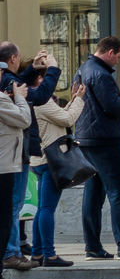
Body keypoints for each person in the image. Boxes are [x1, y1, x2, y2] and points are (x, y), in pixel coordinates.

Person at [74, 36, 120, 259]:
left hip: (87, 140)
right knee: (119, 192)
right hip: (106, 141)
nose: (118, 62)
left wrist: (119, 96)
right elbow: (112, 107)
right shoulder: (101, 74)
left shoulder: (84, 69)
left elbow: (96, 102)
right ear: (110, 53)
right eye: (118, 57)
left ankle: (92, 246)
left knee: (93, 195)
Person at [1, 43, 60, 270]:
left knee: (12, 205)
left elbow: (18, 82)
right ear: (14, 58)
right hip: (15, 153)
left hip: (16, 152)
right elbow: (40, 96)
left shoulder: (8, 80)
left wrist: (34, 69)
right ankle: (12, 253)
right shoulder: (8, 83)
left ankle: (13, 251)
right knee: (14, 205)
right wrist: (52, 69)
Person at [26, 70, 84, 267]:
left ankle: (37, 254)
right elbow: (68, 120)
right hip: (51, 161)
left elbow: (58, 117)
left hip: (39, 161)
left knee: (43, 208)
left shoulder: (31, 98)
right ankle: (49, 254)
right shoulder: (41, 99)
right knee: (47, 209)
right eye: (43, 77)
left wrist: (72, 100)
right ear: (39, 79)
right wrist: (79, 100)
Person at [0, 78, 30, 279]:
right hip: (3, 169)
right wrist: (19, 98)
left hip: (5, 165)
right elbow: (24, 119)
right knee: (3, 222)